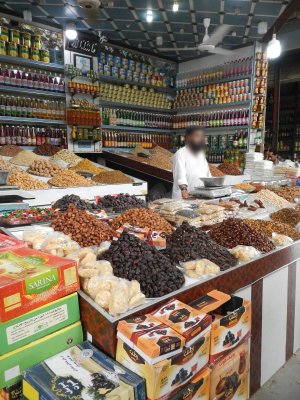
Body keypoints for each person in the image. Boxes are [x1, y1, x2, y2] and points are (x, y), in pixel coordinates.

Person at [172, 125, 211, 199]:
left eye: (201, 136)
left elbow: (207, 174)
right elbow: (180, 176)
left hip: (199, 196)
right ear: (188, 138)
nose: (200, 139)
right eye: (197, 136)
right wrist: (184, 189)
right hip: (183, 198)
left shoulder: (201, 154)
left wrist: (213, 185)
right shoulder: (180, 154)